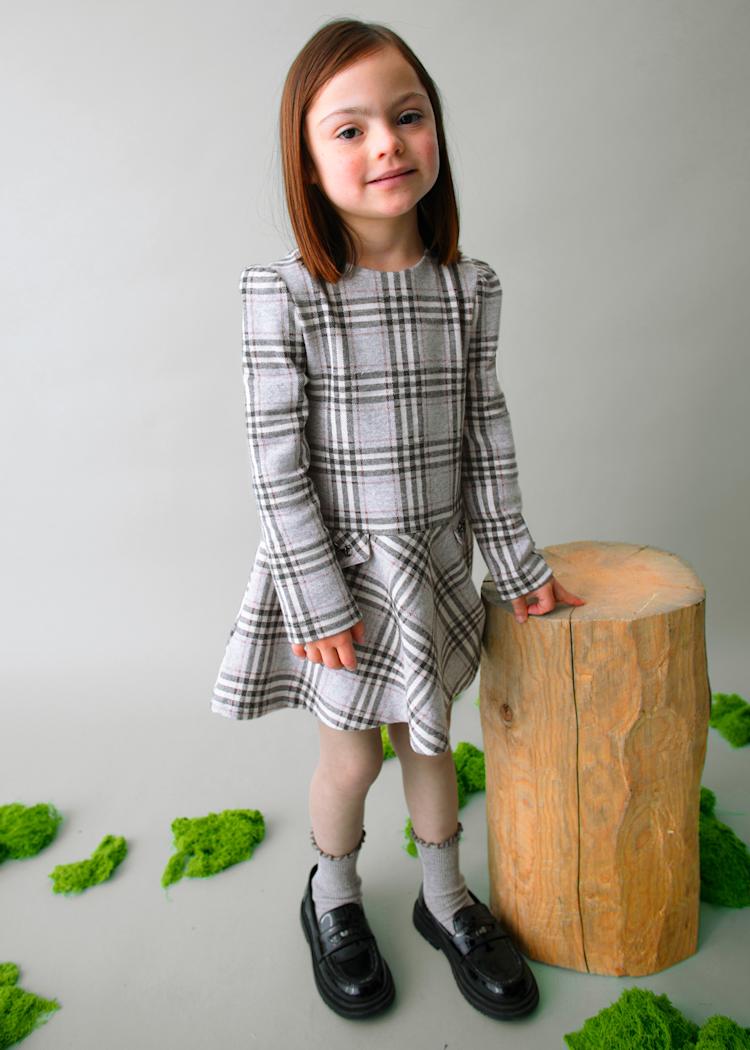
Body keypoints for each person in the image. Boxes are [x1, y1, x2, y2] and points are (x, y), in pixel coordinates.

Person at [211, 17, 585, 1021]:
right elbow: (276, 465)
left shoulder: (466, 289)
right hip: (339, 582)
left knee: (431, 742)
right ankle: (332, 894)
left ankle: (445, 897)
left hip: (432, 570)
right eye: (350, 129)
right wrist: (317, 597)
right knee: (354, 755)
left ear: (435, 131)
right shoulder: (287, 295)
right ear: (307, 159)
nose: (387, 144)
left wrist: (515, 564)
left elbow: (485, 440)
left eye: (408, 117)